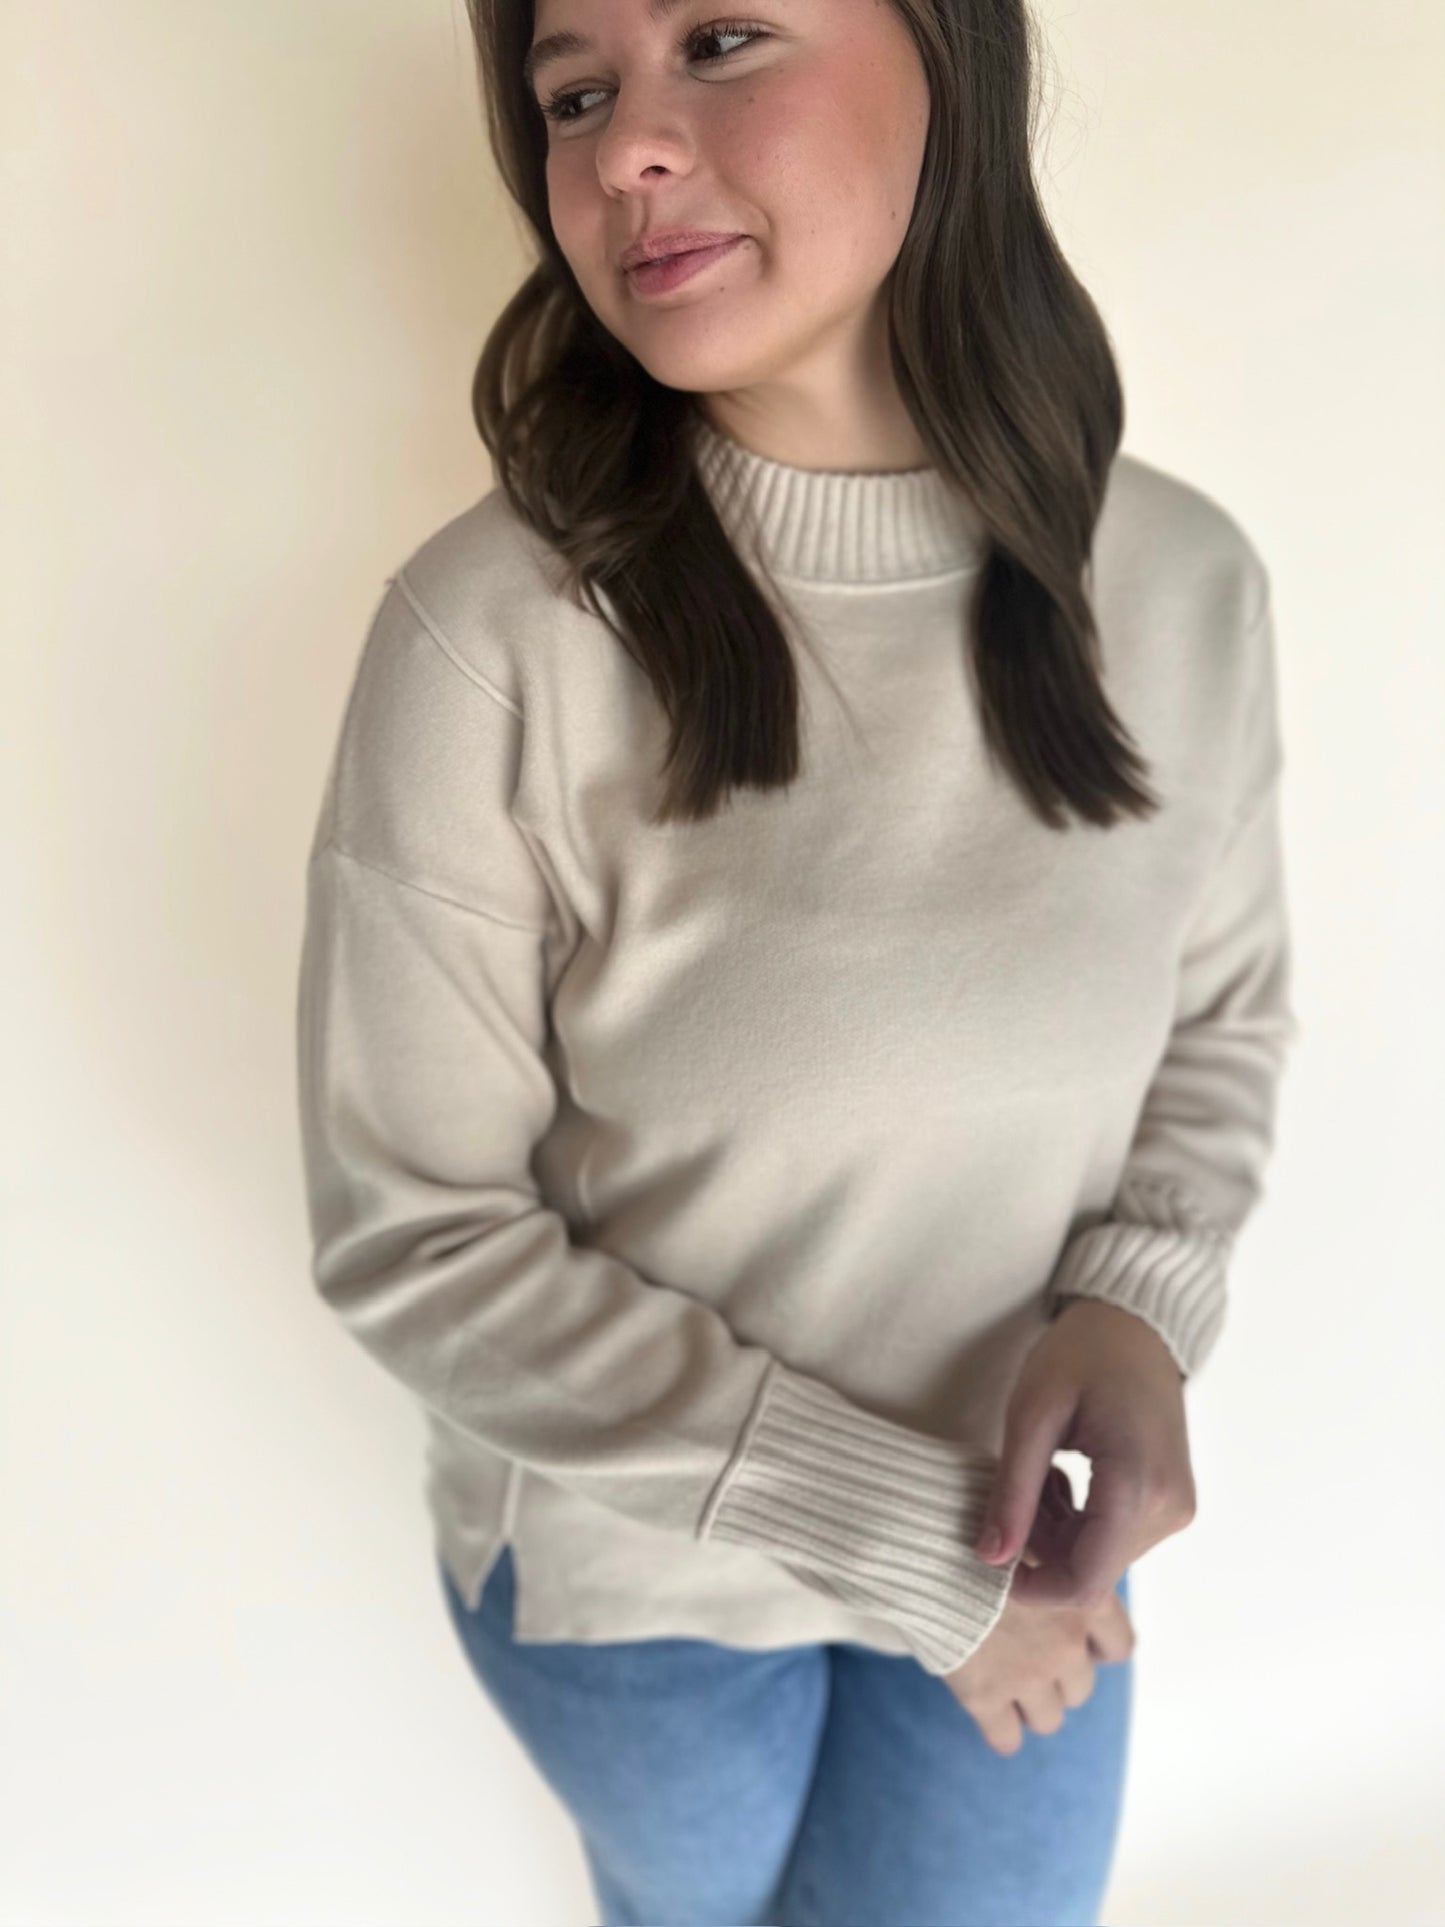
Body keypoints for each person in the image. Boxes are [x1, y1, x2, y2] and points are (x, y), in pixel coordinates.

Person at [293, 0, 1298, 1918]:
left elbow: (1221, 1020)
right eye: (573, 93)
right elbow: (413, 1227)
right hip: (647, 1605)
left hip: (1029, 1544)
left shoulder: (1180, 587)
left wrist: (1138, 1310)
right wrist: (918, 1556)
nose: (622, 152)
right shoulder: (492, 636)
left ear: (950, 47)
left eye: (723, 41)